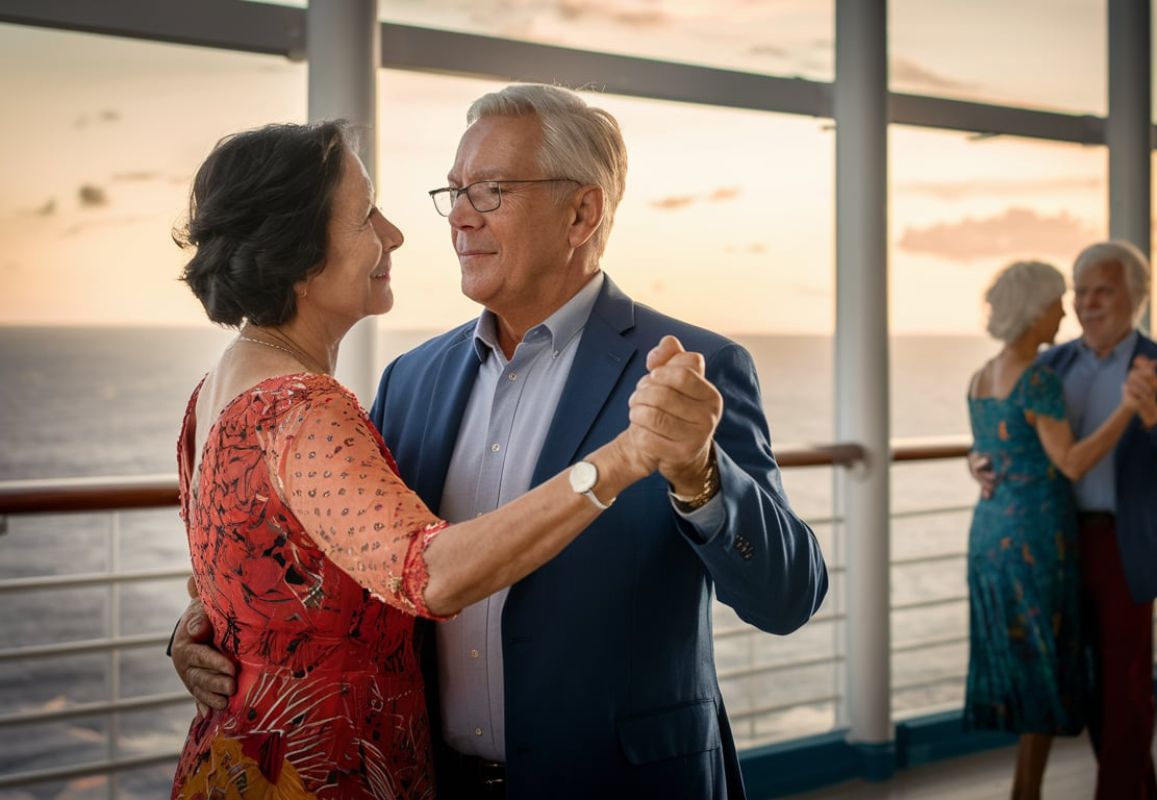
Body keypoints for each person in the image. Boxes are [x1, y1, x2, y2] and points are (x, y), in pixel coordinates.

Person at [172, 85, 828, 799]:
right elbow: (353, 556)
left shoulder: (688, 371)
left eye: (488, 191)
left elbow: (788, 597)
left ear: (582, 212)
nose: (456, 217)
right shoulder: (411, 380)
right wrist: (216, 629)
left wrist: (701, 477)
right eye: (452, 191)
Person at [970, 243, 1157, 800]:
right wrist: (977, 460)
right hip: (1053, 544)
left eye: (1103, 290)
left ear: (1137, 298)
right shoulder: (1049, 363)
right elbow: (1013, 431)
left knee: (1124, 693)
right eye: (1080, 290)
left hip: (1123, 546)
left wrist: (1152, 417)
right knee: (1082, 688)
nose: (1086, 303)